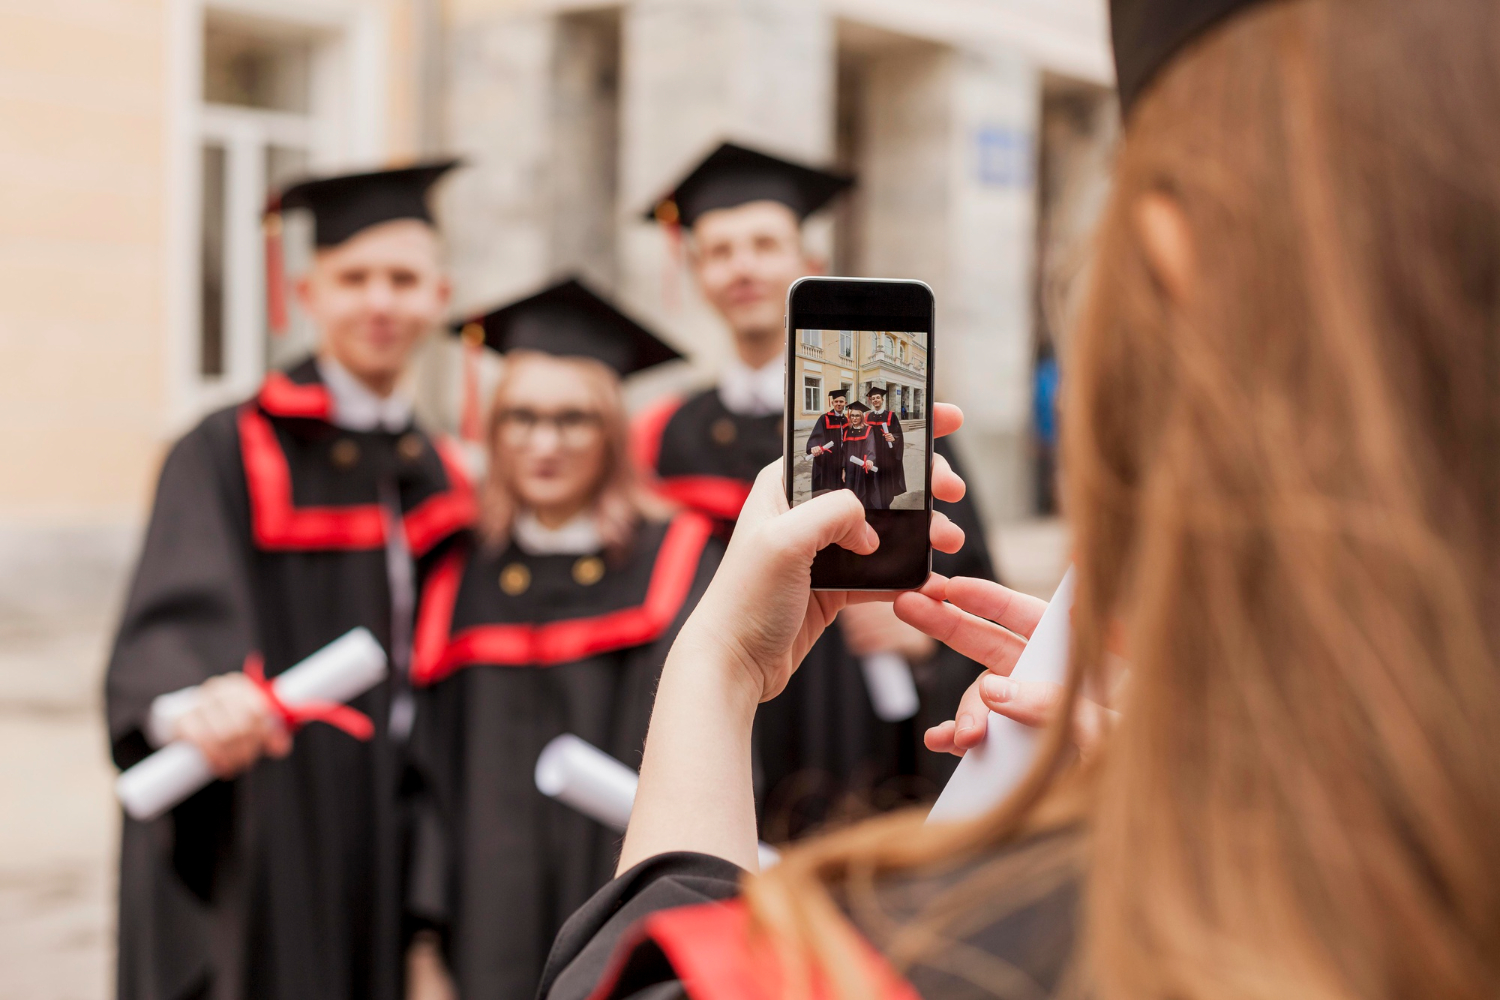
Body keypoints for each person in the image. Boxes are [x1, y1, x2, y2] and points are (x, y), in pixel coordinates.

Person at [540, 0, 1500, 996]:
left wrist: (719, 663)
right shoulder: (1348, 866)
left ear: (1172, 263)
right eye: (718, 250)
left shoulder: (987, 948)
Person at [106, 162, 474, 1000]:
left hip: (391, 823)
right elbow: (168, 619)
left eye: (404, 280)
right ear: (309, 292)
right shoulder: (226, 447)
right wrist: (194, 702)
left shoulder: (443, 470)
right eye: (354, 278)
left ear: (439, 297)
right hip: (270, 817)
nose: (379, 302)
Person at [633, 142, 997, 836]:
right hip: (731, 740)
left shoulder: (891, 411)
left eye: (764, 244)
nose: (742, 266)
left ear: (809, 264)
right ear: (698, 276)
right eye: (719, 251)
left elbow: (981, 585)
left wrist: (927, 638)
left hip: (866, 747)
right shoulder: (670, 437)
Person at [405, 277, 723, 1000]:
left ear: (612, 434)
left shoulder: (675, 562)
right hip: (480, 941)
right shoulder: (456, 575)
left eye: (573, 420)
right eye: (520, 417)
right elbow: (424, 782)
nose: (543, 444)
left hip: (629, 934)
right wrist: (422, 948)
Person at [864, 386, 907, 507]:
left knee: (885, 482)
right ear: (871, 401)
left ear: (882, 400)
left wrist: (893, 438)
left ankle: (885, 505)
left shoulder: (891, 416)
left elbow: (898, 434)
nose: (875, 400)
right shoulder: (868, 417)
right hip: (872, 455)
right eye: (873, 398)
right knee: (873, 481)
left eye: (878, 398)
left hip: (886, 456)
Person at [804, 387, 847, 495]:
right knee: (825, 491)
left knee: (839, 491)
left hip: (840, 461)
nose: (838, 404)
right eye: (836, 401)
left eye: (841, 401)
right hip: (826, 462)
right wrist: (814, 447)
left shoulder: (846, 420)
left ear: (845, 403)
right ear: (832, 403)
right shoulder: (824, 418)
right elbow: (816, 435)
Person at [839, 402, 881, 509]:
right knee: (849, 492)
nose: (854, 418)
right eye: (852, 415)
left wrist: (870, 459)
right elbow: (844, 451)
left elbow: (871, 445)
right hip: (849, 468)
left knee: (863, 492)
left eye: (857, 415)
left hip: (862, 466)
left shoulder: (868, 430)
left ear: (862, 416)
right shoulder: (846, 431)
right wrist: (843, 469)